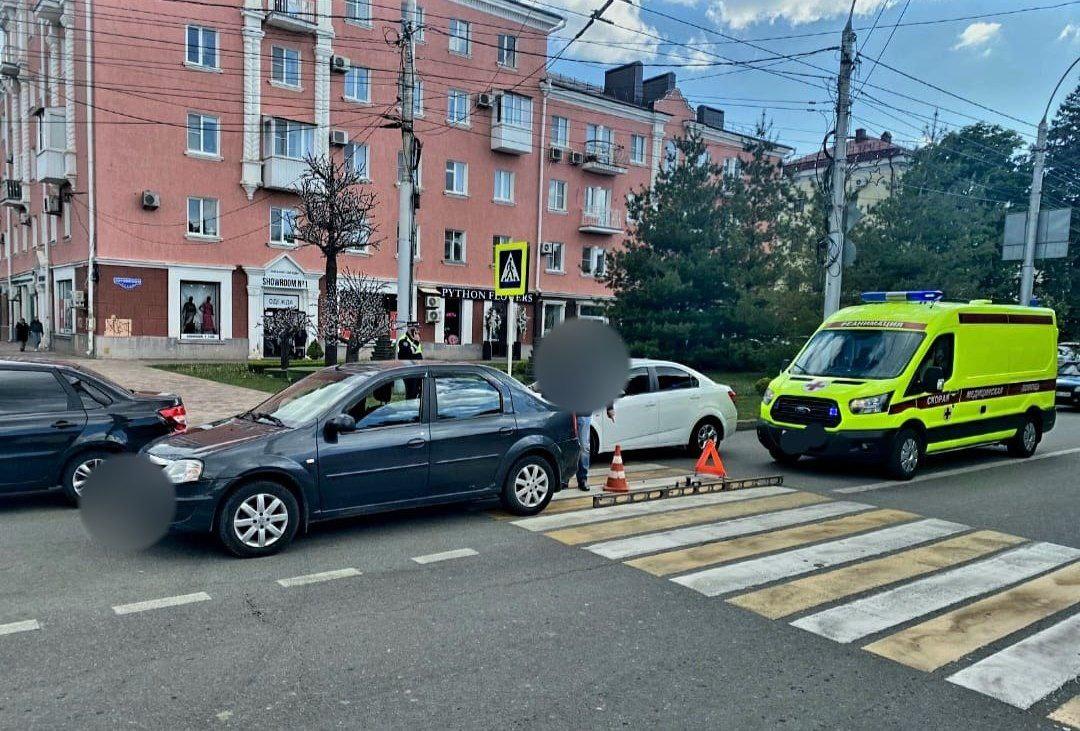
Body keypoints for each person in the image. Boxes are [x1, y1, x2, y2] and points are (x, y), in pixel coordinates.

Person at [576, 403, 615, 492]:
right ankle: (564, 478)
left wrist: (609, 408)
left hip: (583, 412)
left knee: (584, 447)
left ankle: (582, 478)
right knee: (567, 446)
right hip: (565, 413)